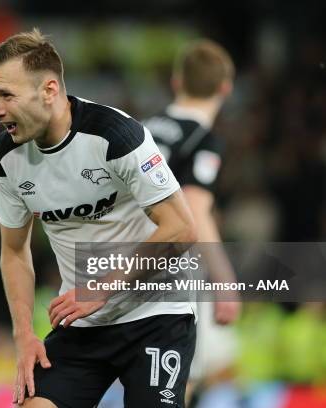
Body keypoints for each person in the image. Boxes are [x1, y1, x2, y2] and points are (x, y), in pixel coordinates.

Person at [0, 28, 198, 408]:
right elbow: (14, 252)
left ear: (49, 90)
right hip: (83, 322)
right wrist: (23, 336)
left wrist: (104, 286)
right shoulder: (6, 159)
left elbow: (182, 228)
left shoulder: (115, 135)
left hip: (156, 313)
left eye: (6, 95)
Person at [143, 39, 241, 402]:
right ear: (225, 88)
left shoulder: (140, 129)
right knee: (178, 383)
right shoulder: (204, 140)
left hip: (119, 262)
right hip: (172, 271)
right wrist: (225, 280)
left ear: (176, 81)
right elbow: (196, 211)